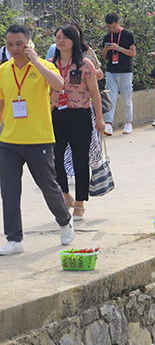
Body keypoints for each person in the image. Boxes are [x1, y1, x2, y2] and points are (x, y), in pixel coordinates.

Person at [0, 24, 75, 255]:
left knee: (48, 186)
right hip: (9, 140)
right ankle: (14, 238)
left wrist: (35, 62)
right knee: (9, 191)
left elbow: (59, 85)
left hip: (39, 139)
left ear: (29, 43)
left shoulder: (44, 66)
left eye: (19, 44)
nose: (15, 48)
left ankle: (64, 221)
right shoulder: (3, 70)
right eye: (10, 44)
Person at [51, 23, 105, 223]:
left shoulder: (84, 64)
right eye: (58, 37)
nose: (61, 40)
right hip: (56, 116)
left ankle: (80, 203)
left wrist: (99, 119)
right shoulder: (50, 64)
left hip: (80, 116)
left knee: (79, 159)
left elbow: (95, 93)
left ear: (74, 40)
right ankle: (66, 196)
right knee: (55, 158)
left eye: (65, 37)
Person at [101, 12, 136, 136]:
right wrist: (106, 50)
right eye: (109, 27)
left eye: (114, 27)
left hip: (125, 71)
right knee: (110, 97)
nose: (111, 29)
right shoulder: (107, 37)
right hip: (111, 71)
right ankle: (109, 123)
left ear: (118, 23)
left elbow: (133, 53)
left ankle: (128, 122)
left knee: (127, 97)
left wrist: (118, 48)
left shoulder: (127, 35)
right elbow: (104, 58)